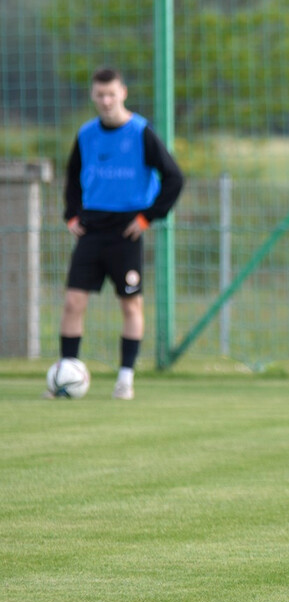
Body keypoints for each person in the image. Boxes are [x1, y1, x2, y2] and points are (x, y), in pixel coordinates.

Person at [48, 67, 184, 400]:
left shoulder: (141, 132)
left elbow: (174, 178)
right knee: (73, 301)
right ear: (93, 96)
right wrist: (71, 215)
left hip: (127, 231)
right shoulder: (86, 135)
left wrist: (146, 218)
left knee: (130, 305)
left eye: (112, 94)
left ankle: (125, 378)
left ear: (123, 92)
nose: (106, 101)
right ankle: (67, 372)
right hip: (92, 229)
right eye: (100, 95)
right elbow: (72, 178)